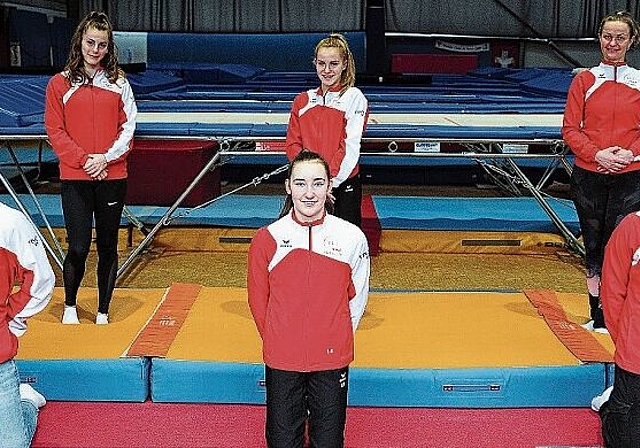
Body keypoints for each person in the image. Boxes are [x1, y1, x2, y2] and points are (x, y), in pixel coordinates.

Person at [247, 150, 370, 447]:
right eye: (301, 184)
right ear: (288, 186)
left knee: (328, 441)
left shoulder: (352, 237)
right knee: (282, 440)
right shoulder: (267, 238)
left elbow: (358, 299)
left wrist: (335, 337)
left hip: (331, 358)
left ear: (329, 186)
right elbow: (257, 300)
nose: (309, 193)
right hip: (282, 358)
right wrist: (280, 339)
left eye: (318, 183)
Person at [45, 11, 137, 325]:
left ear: (109, 49)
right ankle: (70, 305)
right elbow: (55, 131)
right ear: (80, 42)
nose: (95, 50)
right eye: (90, 42)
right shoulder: (60, 84)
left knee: (108, 244)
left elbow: (129, 128)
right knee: (80, 245)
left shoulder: (119, 83)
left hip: (112, 175)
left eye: (101, 45)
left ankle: (102, 311)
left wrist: (105, 159)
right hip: (76, 177)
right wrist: (86, 160)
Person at [562, 10, 640, 333]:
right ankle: (597, 316)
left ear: (631, 41)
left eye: (620, 37)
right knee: (593, 249)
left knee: (620, 249)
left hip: (630, 178)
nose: (613, 43)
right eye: (608, 36)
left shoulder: (639, 82)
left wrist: (631, 153)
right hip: (590, 177)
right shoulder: (584, 80)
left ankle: (616, 317)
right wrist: (598, 155)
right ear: (599, 39)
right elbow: (569, 129)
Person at [285, 33, 369, 228]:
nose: (327, 70)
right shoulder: (302, 100)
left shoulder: (354, 97)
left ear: (344, 64)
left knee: (344, 248)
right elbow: (292, 144)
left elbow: (349, 147)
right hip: (308, 187)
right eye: (322, 64)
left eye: (333, 64)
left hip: (341, 185)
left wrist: (328, 182)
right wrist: (310, 182)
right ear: (315, 63)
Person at [0, 201, 55, 447]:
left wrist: (11, 320)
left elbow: (41, 280)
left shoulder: (10, 223)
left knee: (12, 445)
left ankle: (26, 401)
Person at [598, 210, 640, 446]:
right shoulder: (632, 227)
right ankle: (609, 406)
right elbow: (612, 293)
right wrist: (625, 339)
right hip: (635, 351)